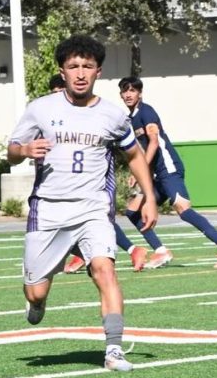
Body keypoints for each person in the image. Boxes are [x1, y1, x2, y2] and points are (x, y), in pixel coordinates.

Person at [7, 34, 158, 372]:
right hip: (48, 209)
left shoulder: (113, 115)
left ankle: (114, 350)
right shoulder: (40, 108)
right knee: (35, 292)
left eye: (87, 67)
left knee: (105, 271)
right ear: (62, 71)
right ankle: (36, 303)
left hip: (93, 209)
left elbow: (134, 155)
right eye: (73, 66)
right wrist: (25, 150)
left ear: (97, 72)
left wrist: (149, 197)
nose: (79, 73)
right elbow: (12, 150)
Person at [118, 76, 217, 269]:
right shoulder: (131, 118)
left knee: (183, 209)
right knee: (133, 211)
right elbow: (141, 149)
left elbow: (154, 142)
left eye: (132, 90)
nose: (128, 94)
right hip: (155, 174)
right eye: (125, 91)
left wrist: (141, 168)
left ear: (140, 93)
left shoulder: (147, 112)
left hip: (168, 168)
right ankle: (160, 251)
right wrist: (139, 172)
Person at [51, 71, 150, 276]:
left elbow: (133, 152)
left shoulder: (98, 114)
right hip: (66, 184)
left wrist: (147, 192)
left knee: (98, 221)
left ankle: (125, 251)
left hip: (96, 182)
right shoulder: (51, 117)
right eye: (54, 93)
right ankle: (125, 250)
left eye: (60, 92)